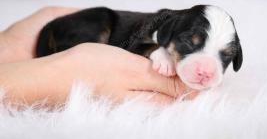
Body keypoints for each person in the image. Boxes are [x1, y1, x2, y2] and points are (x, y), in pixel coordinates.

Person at [0, 7, 196, 107]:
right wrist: (56, 72)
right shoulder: (154, 36)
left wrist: (11, 45)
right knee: (98, 22)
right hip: (99, 21)